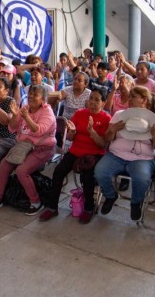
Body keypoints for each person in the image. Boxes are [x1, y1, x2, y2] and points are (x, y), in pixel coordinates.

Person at [0, 85, 56, 215]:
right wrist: (16, 115)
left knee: (22, 170)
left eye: (35, 94)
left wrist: (26, 117)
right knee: (4, 164)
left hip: (42, 148)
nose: (31, 96)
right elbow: (12, 128)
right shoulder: (25, 108)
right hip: (23, 146)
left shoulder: (47, 112)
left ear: (43, 99)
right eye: (30, 93)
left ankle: (35, 202)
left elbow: (38, 131)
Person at [39, 89, 110, 223]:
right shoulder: (80, 113)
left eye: (97, 100)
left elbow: (102, 145)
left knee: (88, 177)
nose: (93, 102)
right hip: (76, 151)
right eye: (91, 98)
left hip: (93, 154)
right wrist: (71, 132)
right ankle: (52, 208)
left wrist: (92, 132)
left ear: (103, 103)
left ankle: (88, 208)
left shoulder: (106, 118)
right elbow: (71, 138)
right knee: (58, 171)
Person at [95, 86, 155, 222]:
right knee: (100, 172)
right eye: (130, 96)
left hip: (142, 158)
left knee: (141, 178)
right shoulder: (119, 115)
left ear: (143, 100)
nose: (129, 99)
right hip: (116, 154)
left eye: (133, 96)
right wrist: (112, 130)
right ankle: (110, 196)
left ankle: (136, 202)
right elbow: (107, 139)